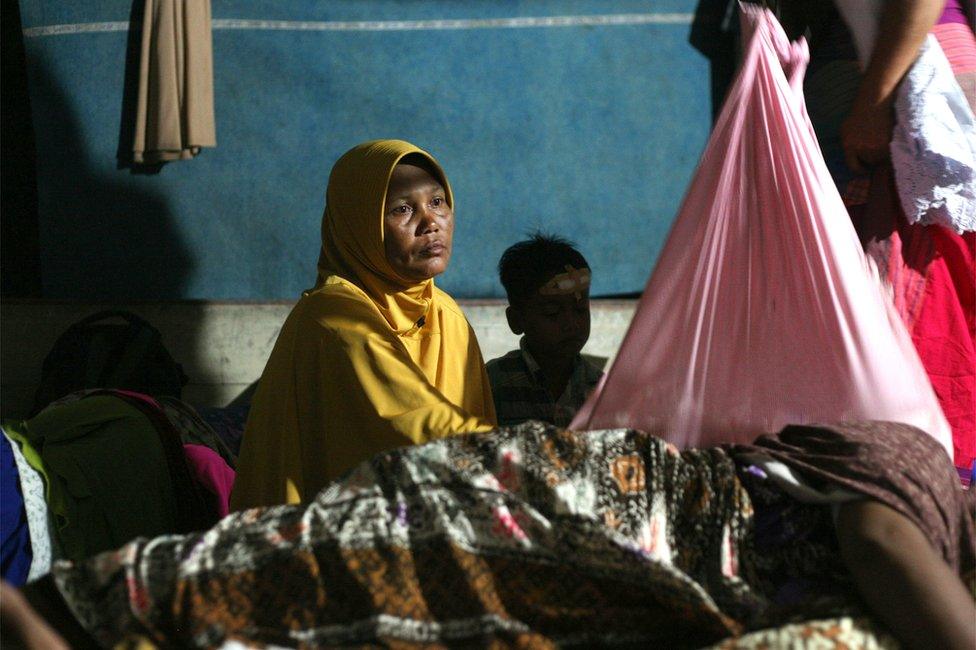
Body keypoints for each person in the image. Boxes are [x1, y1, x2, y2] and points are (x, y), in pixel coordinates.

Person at [3, 420, 973, 648]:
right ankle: (44, 609)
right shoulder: (922, 469)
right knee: (307, 566)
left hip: (591, 587)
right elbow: (879, 536)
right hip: (547, 509)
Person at [230, 140, 496, 509]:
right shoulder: (332, 319)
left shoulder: (446, 316)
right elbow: (413, 427)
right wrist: (532, 457)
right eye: (402, 209)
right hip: (321, 541)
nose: (430, 223)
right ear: (360, 226)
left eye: (437, 202)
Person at [778, 0, 975, 477]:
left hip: (902, 96)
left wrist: (874, 101)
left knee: (910, 303)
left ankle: (920, 477)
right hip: (901, 89)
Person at [486, 234, 604, 427]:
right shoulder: (492, 384)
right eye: (552, 313)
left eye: (580, 309)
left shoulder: (601, 390)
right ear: (516, 320)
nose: (571, 324)